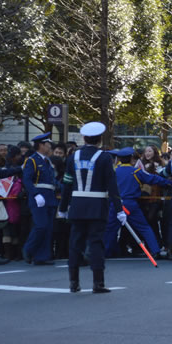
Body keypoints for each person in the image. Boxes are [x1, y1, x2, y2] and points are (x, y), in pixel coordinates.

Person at [59, 122, 123, 293]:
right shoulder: (104, 158)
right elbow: (112, 186)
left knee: (75, 244)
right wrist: (119, 209)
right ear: (99, 139)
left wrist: (63, 207)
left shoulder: (73, 157)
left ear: (84, 138)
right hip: (97, 207)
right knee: (96, 243)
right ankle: (98, 283)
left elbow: (66, 184)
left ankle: (74, 283)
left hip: (77, 206)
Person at [103, 147, 172, 261]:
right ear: (131, 158)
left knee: (111, 228)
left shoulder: (114, 170)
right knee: (144, 227)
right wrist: (168, 182)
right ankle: (155, 251)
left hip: (116, 204)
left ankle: (107, 251)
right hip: (130, 204)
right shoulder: (135, 171)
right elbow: (152, 179)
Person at [21, 132, 58, 265]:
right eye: (48, 144)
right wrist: (35, 194)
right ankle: (28, 249)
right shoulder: (32, 160)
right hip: (39, 197)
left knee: (48, 228)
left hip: (50, 197)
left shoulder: (47, 161)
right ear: (41, 145)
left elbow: (52, 181)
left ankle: (42, 256)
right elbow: (27, 179)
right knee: (41, 226)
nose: (50, 147)